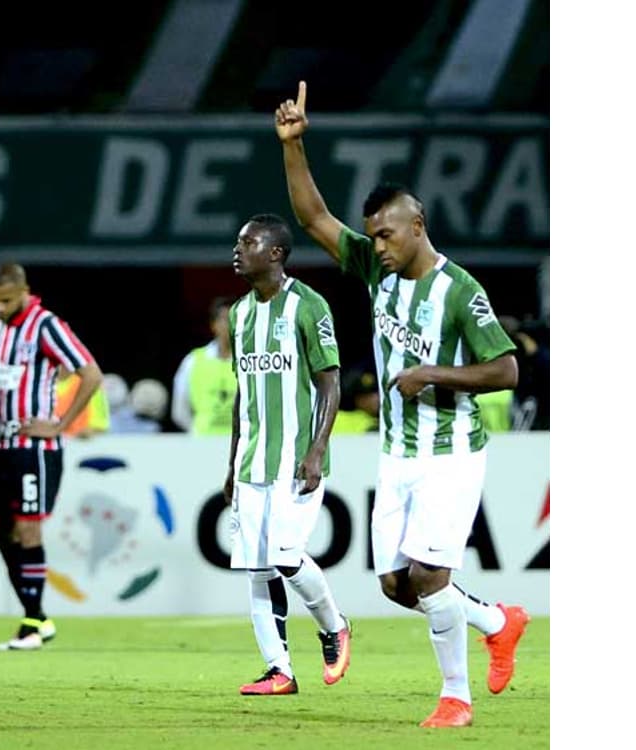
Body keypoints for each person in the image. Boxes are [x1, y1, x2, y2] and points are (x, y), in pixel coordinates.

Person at [277, 81, 529, 727]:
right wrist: (294, 146)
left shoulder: (458, 289)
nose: (379, 245)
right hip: (396, 454)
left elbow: (507, 368)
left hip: (450, 452)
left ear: (417, 226)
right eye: (373, 237)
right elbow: (312, 219)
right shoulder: (375, 270)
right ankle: (498, 622)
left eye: (388, 234)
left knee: (429, 576)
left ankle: (456, 698)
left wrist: (432, 372)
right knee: (395, 586)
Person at [222, 214, 352, 696]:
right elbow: (244, 394)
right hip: (251, 463)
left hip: (296, 460)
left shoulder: (308, 305)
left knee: (286, 556)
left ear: (275, 252)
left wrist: (317, 448)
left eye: (249, 242)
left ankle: (334, 626)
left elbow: (330, 381)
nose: (238, 250)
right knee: (256, 568)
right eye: (238, 243)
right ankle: (279, 669)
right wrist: (231, 462)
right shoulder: (238, 314)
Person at [0, 262, 102, 650]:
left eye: (6, 300)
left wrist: (59, 423)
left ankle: (32, 623)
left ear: (24, 290)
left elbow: (90, 373)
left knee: (28, 528)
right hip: (2, 445)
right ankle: (36, 615)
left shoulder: (45, 325)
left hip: (35, 448)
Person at [171, 298, 237, 435]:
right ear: (213, 324)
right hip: (202, 442)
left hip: (240, 443)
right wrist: (195, 432)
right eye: (225, 319)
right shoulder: (194, 360)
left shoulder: (250, 361)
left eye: (235, 318)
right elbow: (179, 410)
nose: (230, 324)